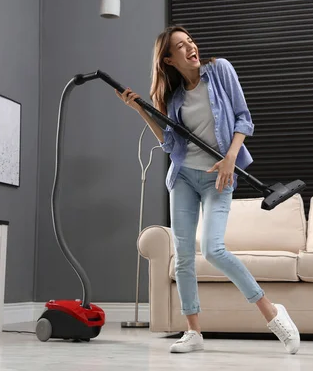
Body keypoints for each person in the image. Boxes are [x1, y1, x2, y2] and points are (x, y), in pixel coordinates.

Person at [115, 25, 300, 354]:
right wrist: (140, 110)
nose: (190, 48)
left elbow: (244, 118)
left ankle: (273, 314)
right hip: (184, 177)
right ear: (169, 60)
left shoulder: (220, 70)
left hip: (219, 177)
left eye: (190, 42)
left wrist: (230, 158)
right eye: (180, 47)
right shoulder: (174, 98)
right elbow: (171, 146)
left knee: (214, 249)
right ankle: (194, 332)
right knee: (183, 258)